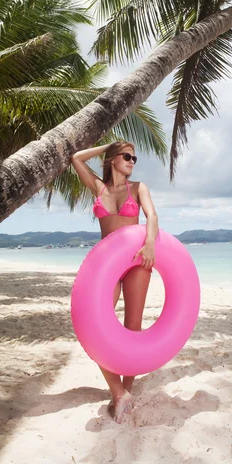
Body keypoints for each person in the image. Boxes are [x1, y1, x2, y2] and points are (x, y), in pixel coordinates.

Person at [71, 141, 158, 423]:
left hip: (135, 263)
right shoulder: (100, 188)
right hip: (104, 268)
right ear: (113, 159)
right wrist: (108, 145)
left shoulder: (138, 188)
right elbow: (76, 158)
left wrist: (149, 244)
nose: (133, 160)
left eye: (135, 156)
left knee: (132, 328)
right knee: (95, 327)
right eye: (127, 156)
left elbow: (152, 216)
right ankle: (117, 391)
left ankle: (125, 393)